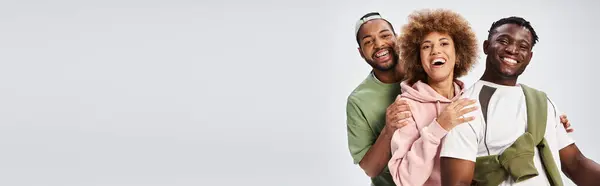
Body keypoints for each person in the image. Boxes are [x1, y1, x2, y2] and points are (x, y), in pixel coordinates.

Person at [439, 16, 600, 186]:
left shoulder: (541, 102)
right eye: (503, 41)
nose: (512, 50)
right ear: (486, 46)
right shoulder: (466, 107)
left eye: (522, 46)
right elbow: (457, 183)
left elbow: (575, 163)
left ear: (529, 57)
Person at [386, 9, 479, 186]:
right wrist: (438, 127)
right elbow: (405, 180)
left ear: (458, 54)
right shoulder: (407, 106)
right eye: (426, 46)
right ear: (418, 59)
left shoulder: (471, 99)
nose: (435, 51)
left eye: (444, 43)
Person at [346, 12, 412, 186]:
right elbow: (370, 168)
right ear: (361, 53)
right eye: (368, 42)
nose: (379, 44)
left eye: (385, 36)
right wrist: (388, 130)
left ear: (397, 38)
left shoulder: (425, 73)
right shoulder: (358, 101)